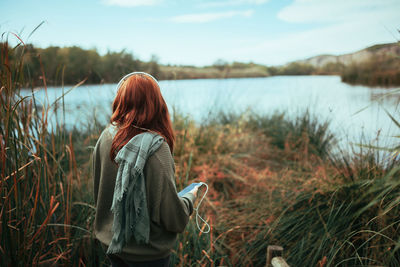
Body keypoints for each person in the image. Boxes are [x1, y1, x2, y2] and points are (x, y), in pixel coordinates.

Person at [92, 72, 198, 267]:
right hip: (148, 255)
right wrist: (190, 198)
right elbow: (174, 218)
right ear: (157, 103)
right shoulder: (157, 148)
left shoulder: (106, 137)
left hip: (111, 245)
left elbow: (99, 193)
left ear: (120, 100)